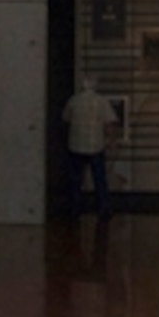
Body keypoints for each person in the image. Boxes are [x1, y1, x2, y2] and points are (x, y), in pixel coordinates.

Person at [62, 73, 116, 219]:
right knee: (99, 179)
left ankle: (75, 209)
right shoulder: (101, 101)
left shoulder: (74, 101)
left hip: (76, 145)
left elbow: (66, 118)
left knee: (76, 180)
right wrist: (111, 142)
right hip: (96, 145)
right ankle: (103, 209)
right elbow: (109, 123)